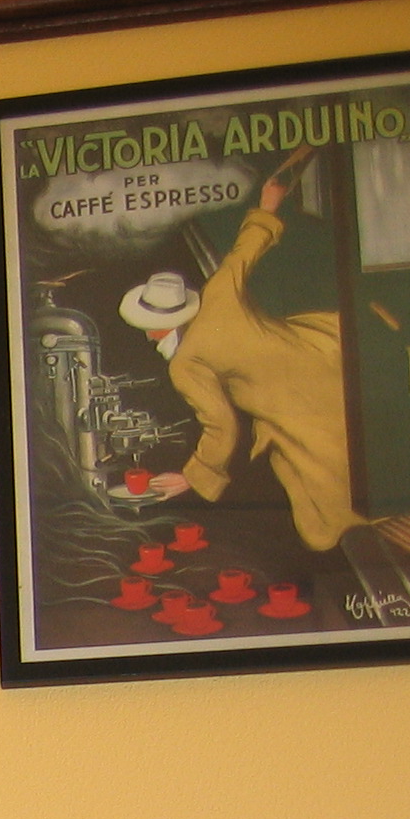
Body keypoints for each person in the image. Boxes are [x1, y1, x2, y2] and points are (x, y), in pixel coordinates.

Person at [123, 172, 356, 551]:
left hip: (298, 410)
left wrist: (192, 476)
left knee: (324, 514)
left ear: (154, 329)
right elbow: (244, 250)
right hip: (326, 349)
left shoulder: (185, 365)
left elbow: (222, 428)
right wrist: (268, 205)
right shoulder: (218, 291)